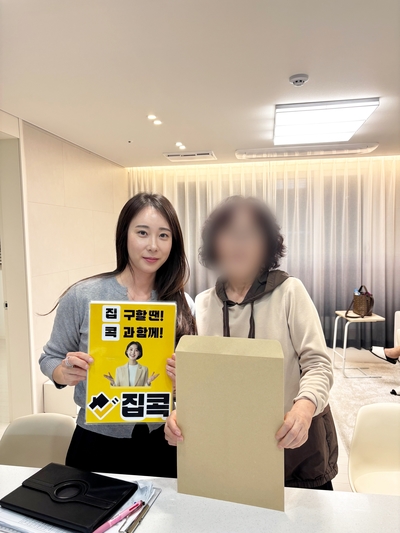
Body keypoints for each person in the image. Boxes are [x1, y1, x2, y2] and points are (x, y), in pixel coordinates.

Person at [165, 196, 338, 490]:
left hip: (292, 444)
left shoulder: (290, 292)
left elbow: (318, 364)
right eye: (229, 233)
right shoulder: (204, 304)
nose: (239, 243)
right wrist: (181, 412)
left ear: (266, 244)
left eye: (250, 234)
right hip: (229, 444)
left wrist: (304, 409)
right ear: (214, 243)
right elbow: (201, 380)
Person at [39, 192, 196, 477]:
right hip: (95, 441)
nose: (153, 245)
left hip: (162, 441)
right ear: (124, 235)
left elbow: (196, 383)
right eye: (142, 232)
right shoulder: (84, 296)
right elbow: (49, 358)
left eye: (164, 235)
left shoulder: (182, 305)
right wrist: (64, 372)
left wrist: (183, 380)